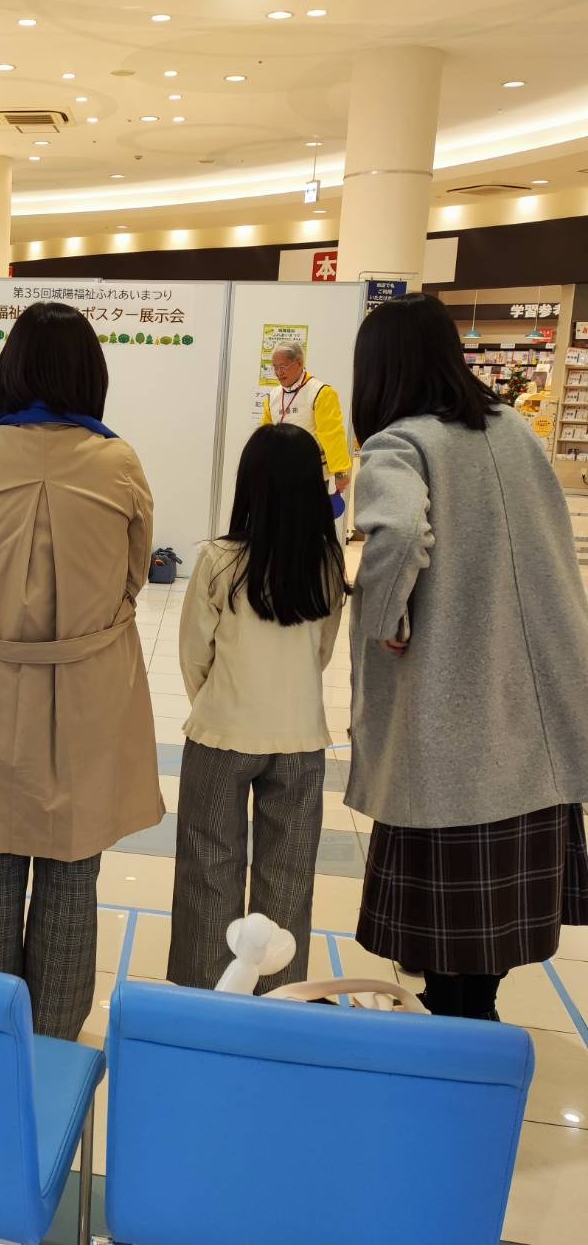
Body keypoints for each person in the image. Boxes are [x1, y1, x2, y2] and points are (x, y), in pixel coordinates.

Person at [0, 302, 163, 1040]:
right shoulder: (119, 464)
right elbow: (135, 575)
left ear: (8, 371)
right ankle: (55, 1045)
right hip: (89, 688)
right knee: (73, 865)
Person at [347, 292, 588, 1020]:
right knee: (499, 911)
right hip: (534, 708)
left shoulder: (400, 444)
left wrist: (385, 615)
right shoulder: (515, 430)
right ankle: (476, 1014)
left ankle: (455, 1035)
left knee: (446, 913)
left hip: (452, 723)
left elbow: (396, 531)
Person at [167, 424, 347, 991]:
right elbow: (322, 652)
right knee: (287, 876)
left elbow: (193, 654)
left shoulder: (219, 560)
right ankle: (279, 994)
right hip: (300, 738)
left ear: (249, 484)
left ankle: (206, 992)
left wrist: (218, 702)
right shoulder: (327, 561)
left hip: (221, 734)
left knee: (209, 866)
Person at [262, 341, 353, 496]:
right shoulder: (273, 396)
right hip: (279, 472)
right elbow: (265, 436)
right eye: (275, 367)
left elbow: (332, 434)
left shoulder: (321, 392)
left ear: (299, 363)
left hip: (312, 473)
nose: (278, 372)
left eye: (283, 366)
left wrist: (340, 472)